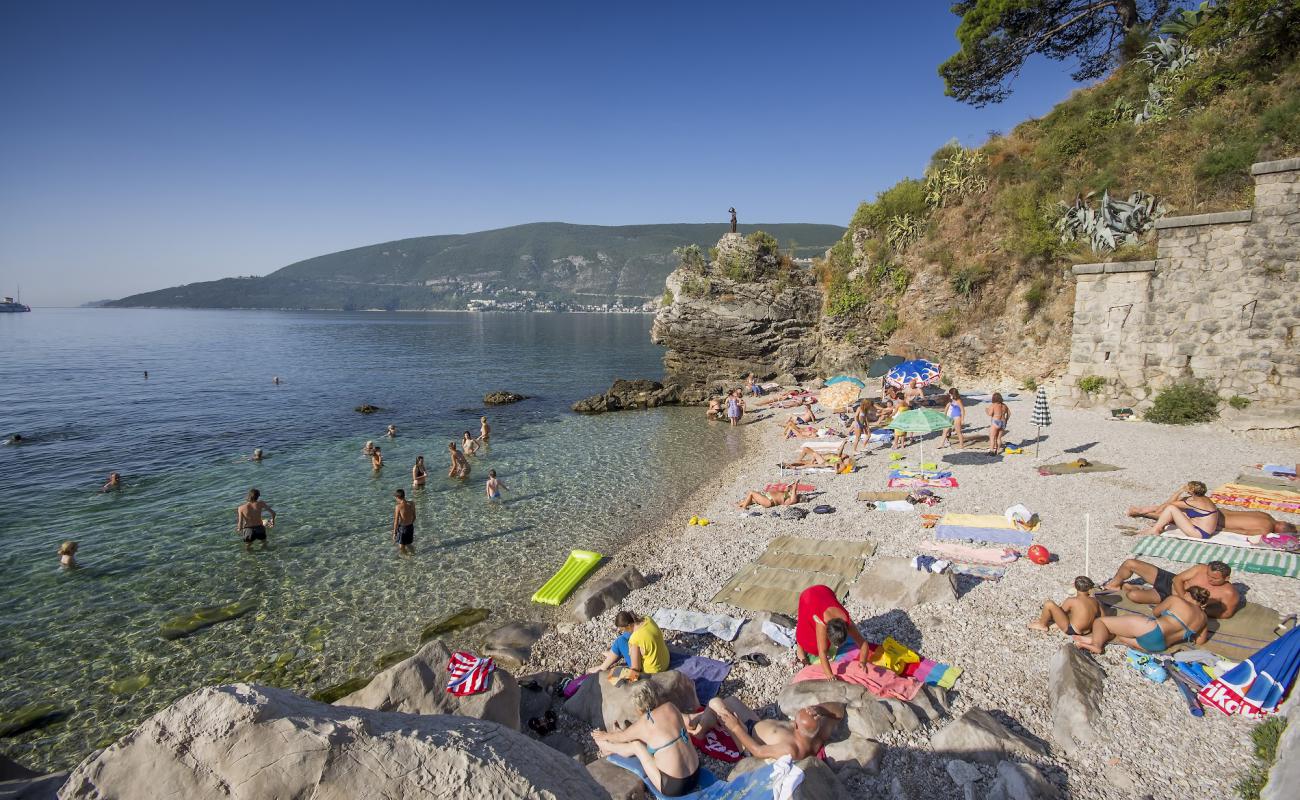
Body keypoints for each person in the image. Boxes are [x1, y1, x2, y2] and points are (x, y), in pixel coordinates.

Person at [591, 682, 700, 797]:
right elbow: (660, 737)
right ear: (655, 696)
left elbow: (619, 738)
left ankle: (607, 747)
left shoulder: (644, 723)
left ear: (638, 708)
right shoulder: (670, 707)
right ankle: (614, 746)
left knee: (636, 746)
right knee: (659, 745)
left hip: (675, 787)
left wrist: (603, 735)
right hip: (696, 774)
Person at [687, 696, 844, 761]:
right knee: (731, 700)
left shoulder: (791, 748)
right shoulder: (818, 732)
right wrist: (819, 710)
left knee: (715, 702)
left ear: (795, 725)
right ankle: (700, 719)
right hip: (756, 724)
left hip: (746, 740)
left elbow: (758, 751)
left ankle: (699, 732)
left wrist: (735, 727)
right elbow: (839, 709)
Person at [1074, 587, 1211, 654]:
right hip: (1158, 646)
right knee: (1120, 635)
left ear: (1188, 594)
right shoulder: (1203, 618)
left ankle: (1097, 644)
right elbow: (1200, 640)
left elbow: (1156, 612)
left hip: (1153, 629)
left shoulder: (1177, 600)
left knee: (1101, 622)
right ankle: (1095, 639)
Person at [1103, 559, 1240, 619]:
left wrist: (1197, 608)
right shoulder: (1201, 569)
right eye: (1208, 575)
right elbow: (1177, 579)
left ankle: (1134, 588)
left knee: (1133, 596)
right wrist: (1182, 596)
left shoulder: (1229, 593)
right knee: (1130, 563)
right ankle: (1113, 584)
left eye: (1215, 579)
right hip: (1171, 583)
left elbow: (1225, 614)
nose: (1209, 580)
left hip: (1168, 598)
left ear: (1226, 578)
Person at [794, 584, 869, 681]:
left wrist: (863, 662)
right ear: (826, 630)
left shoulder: (847, 622)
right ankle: (800, 649)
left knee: (820, 642)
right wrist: (829, 675)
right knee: (807, 634)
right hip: (808, 598)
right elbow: (822, 652)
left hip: (824, 591)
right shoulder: (821, 622)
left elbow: (863, 643)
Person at [1126, 481, 1223, 539]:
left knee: (1171, 508)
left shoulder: (1194, 503)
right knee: (1172, 508)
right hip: (1202, 528)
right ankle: (1140, 511)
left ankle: (1155, 529)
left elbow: (1168, 504)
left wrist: (1180, 491)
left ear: (1191, 491)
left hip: (1199, 533)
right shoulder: (1203, 499)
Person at [587, 610, 668, 676]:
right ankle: (614, 655)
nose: (622, 631)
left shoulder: (635, 639)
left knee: (620, 641)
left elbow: (636, 669)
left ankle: (602, 667)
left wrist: (622, 676)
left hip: (652, 671)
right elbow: (637, 633)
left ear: (628, 625)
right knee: (626, 635)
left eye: (623, 629)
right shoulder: (648, 619)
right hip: (665, 661)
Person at [1029, 576, 1102, 636]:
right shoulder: (1095, 600)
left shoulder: (1072, 600)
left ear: (1075, 587)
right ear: (1089, 588)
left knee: (1049, 604)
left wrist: (1050, 615)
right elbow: (1101, 616)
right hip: (1088, 630)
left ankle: (1042, 624)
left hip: (1072, 629)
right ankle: (1051, 623)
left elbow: (1061, 613)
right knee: (1076, 611)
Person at [736, 484, 802, 509]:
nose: (796, 494)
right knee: (753, 498)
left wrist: (795, 485)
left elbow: (794, 490)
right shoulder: (788, 496)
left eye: (796, 495)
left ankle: (744, 507)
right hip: (767, 498)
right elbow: (786, 491)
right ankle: (740, 504)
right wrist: (789, 488)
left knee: (751, 493)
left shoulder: (792, 500)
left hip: (768, 501)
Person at [391, 488, 415, 556]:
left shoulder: (398, 507)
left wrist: (394, 533)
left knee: (401, 547)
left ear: (398, 497)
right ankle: (413, 554)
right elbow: (414, 517)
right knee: (409, 544)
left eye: (396, 497)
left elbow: (396, 521)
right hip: (410, 527)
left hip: (403, 529)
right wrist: (409, 523)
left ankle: (407, 559)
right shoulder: (412, 503)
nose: (396, 499)